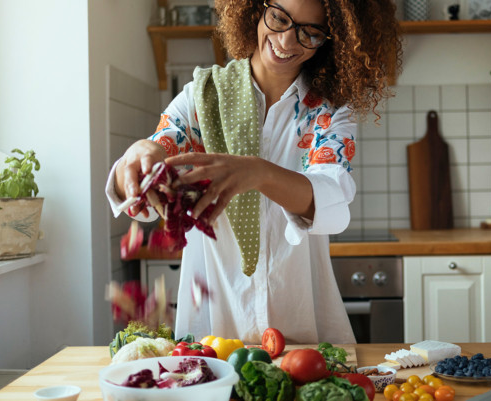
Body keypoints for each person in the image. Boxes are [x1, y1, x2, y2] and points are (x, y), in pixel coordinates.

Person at [106, 0, 402, 345]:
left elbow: (332, 201)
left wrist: (259, 173)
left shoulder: (330, 112)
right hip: (213, 331)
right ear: (254, 10)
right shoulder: (202, 97)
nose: (287, 41)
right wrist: (139, 157)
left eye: (310, 32)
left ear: (331, 38)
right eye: (278, 18)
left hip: (303, 333)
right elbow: (151, 160)